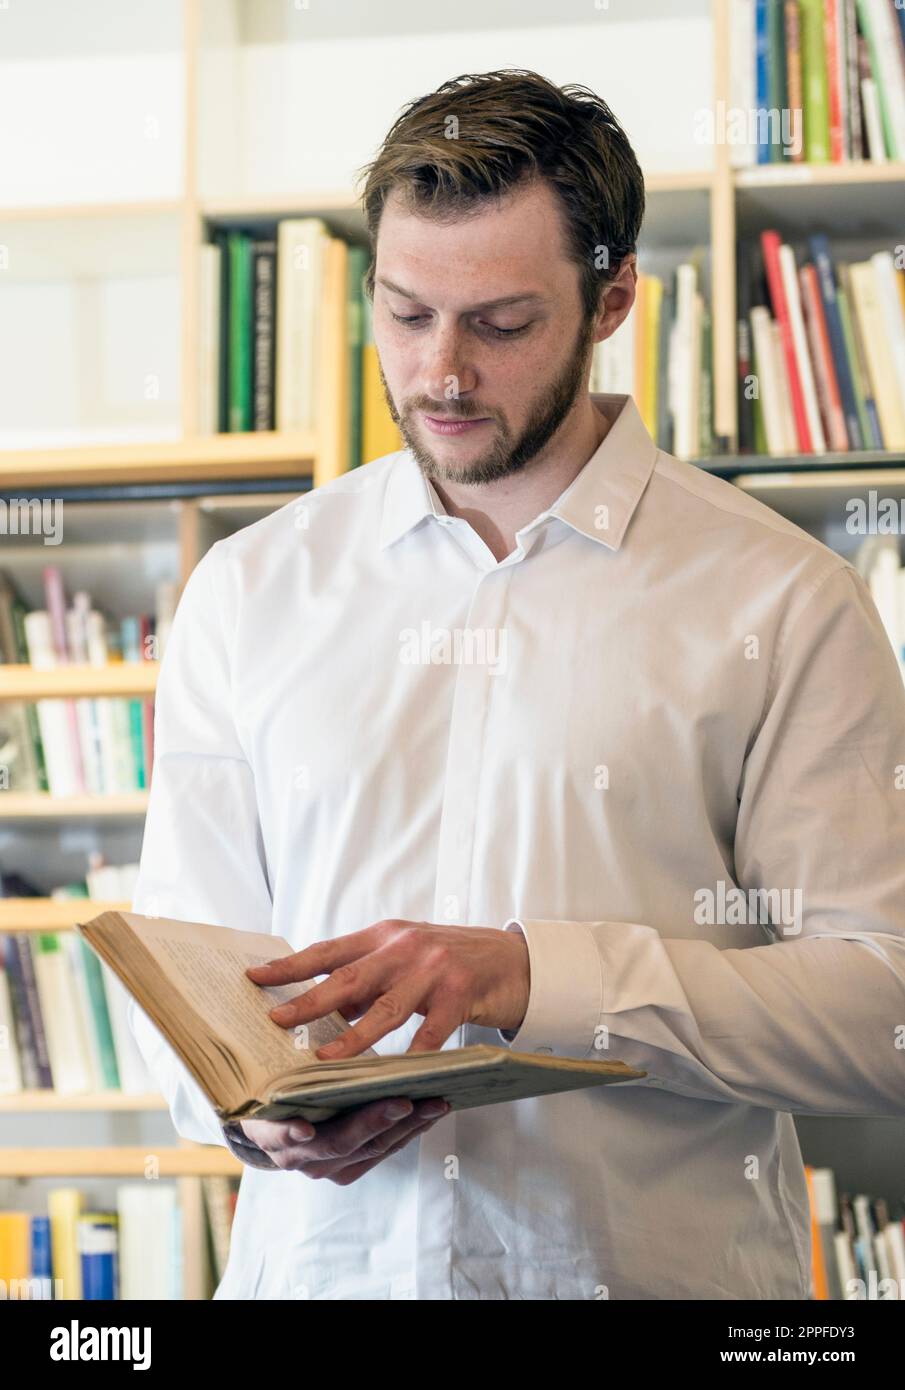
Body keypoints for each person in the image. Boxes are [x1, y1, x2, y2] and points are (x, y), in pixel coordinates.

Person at [130, 69, 905, 1300]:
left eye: (498, 324)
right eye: (402, 314)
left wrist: (534, 977)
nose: (439, 374)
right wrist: (249, 1120)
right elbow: (187, 980)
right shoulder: (245, 591)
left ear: (610, 300)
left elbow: (882, 1010)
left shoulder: (784, 599)